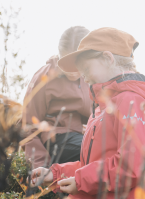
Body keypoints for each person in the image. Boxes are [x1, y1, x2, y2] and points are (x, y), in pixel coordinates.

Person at [28, 27, 145, 198]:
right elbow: (90, 164)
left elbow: (132, 167)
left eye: (87, 69)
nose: (84, 77)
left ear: (107, 58)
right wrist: (56, 173)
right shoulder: (101, 110)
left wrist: (82, 181)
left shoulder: (131, 102)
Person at [23, 26, 92, 169]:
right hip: (58, 139)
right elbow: (28, 125)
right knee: (91, 153)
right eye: (67, 63)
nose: (73, 70)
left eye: (77, 63)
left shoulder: (94, 77)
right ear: (60, 55)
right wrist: (41, 165)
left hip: (89, 135)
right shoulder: (44, 78)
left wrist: (94, 127)